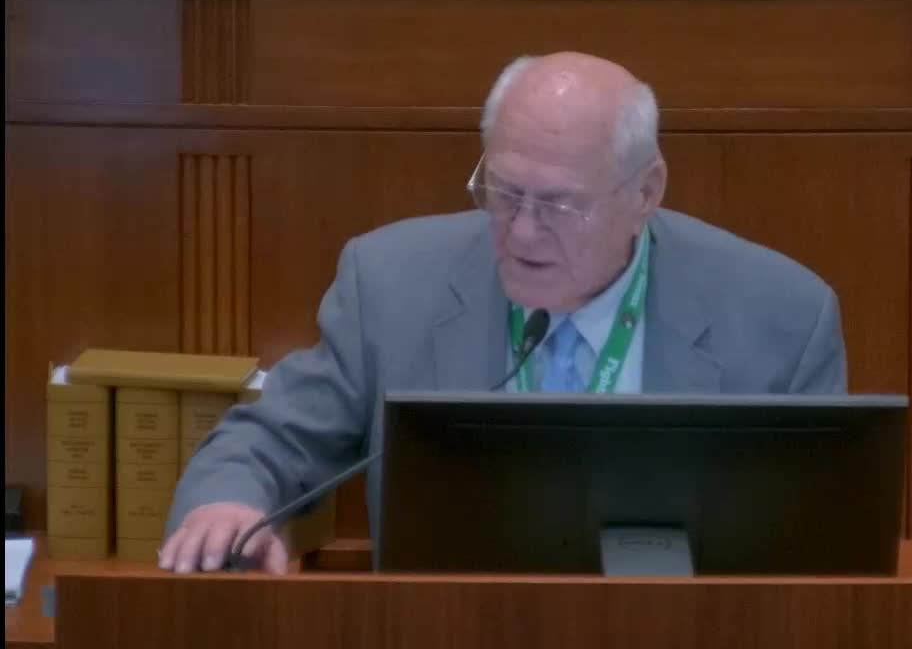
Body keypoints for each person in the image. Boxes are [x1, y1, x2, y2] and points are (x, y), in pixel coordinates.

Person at [159, 51, 847, 574]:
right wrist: (227, 502)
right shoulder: (392, 283)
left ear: (645, 192)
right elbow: (269, 439)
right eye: (504, 192)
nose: (521, 232)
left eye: (559, 204)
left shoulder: (782, 317)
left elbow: (824, 549)